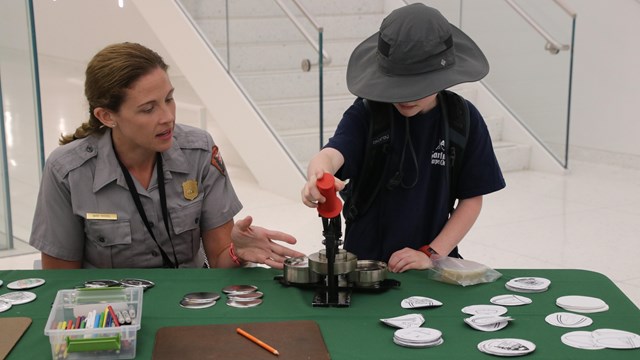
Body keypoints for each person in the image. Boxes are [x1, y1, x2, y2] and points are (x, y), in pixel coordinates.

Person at [29, 42, 304, 269]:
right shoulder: (67, 171)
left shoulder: (199, 151)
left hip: (190, 306)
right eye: (148, 109)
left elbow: (221, 260)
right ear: (107, 116)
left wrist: (236, 252)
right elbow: (60, 282)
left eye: (169, 99)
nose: (168, 117)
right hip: (111, 314)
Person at [301, 4, 505, 273]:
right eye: (398, 86)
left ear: (443, 78)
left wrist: (431, 254)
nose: (406, 98)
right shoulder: (368, 113)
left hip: (431, 266)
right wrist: (318, 174)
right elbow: (332, 154)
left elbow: (471, 200)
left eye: (418, 87)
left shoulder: (463, 120)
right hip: (364, 266)